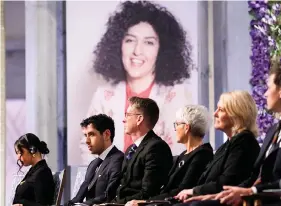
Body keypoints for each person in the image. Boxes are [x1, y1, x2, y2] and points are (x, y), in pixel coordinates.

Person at [81, 0, 195, 164]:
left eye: (148, 42)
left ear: (161, 49)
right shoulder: (103, 96)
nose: (137, 51)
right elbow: (88, 148)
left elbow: (183, 150)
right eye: (130, 40)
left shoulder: (178, 95)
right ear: (118, 45)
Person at [194, 59, 281, 206]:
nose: (265, 93)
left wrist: (251, 192)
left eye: (268, 87)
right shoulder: (273, 131)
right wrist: (229, 193)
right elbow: (255, 176)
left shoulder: (244, 141)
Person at [174, 90, 261, 205]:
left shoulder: (244, 141)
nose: (215, 114)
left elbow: (227, 182)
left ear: (236, 114)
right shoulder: (226, 145)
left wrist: (194, 191)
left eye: (220, 110)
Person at [126, 105, 214, 206]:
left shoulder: (202, 155)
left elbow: (182, 190)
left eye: (176, 124)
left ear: (186, 127)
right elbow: (165, 188)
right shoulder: (182, 155)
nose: (175, 129)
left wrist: (145, 202)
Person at [112, 96, 173, 204]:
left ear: (139, 119)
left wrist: (118, 203)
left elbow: (149, 192)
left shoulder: (156, 147)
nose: (123, 119)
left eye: (127, 115)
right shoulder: (131, 149)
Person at [66, 114, 124, 205]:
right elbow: (78, 198)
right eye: (86, 135)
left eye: (91, 134)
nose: (87, 141)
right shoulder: (93, 164)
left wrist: (83, 205)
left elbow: (110, 195)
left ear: (106, 135)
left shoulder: (119, 159)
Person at [12, 133, 55, 206]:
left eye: (20, 153)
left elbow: (43, 204)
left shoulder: (42, 173)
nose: (18, 158)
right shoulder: (35, 170)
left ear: (33, 151)